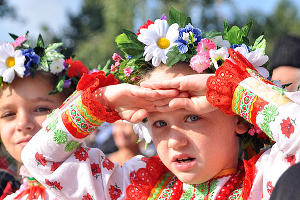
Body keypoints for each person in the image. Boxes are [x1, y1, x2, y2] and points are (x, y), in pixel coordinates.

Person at [21, 9, 299, 200]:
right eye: (160, 123)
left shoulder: (268, 176)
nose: (174, 142)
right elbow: (42, 160)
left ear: (238, 118)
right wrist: (101, 102)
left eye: (192, 117)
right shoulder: (133, 185)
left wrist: (234, 91)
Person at [0, 33, 89, 199]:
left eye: (41, 109)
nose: (23, 123)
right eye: (9, 114)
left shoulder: (102, 184)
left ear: (73, 108)